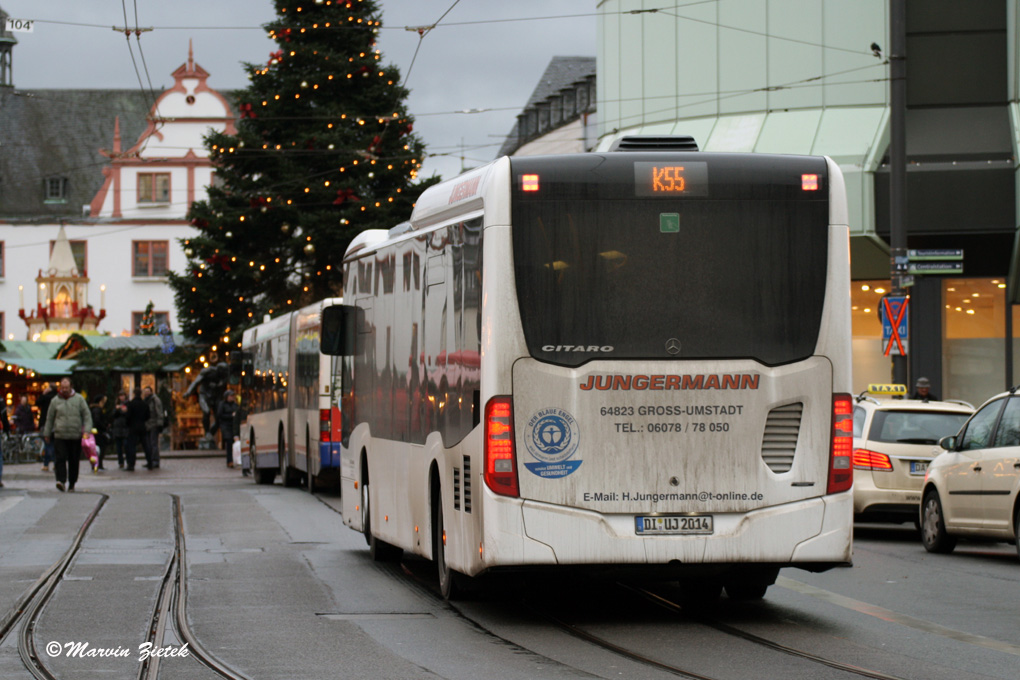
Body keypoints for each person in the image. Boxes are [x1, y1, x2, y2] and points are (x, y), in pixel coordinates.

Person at [42, 377, 92, 493]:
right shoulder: (55, 400)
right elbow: (49, 418)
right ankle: (61, 481)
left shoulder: (79, 399)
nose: (64, 390)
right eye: (63, 387)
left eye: (67, 387)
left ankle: (72, 483)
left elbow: (87, 415)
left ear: (71, 387)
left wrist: (87, 430)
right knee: (60, 459)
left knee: (74, 460)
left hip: (75, 435)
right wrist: (47, 433)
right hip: (60, 435)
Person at [125, 388, 149, 472]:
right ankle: (150, 462)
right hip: (142, 426)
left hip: (133, 427)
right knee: (146, 445)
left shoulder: (131, 404)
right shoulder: (144, 404)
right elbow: (147, 416)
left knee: (131, 446)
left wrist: (128, 424)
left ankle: (131, 464)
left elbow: (128, 416)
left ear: (134, 393)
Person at [216, 390, 239, 468]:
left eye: (233, 396)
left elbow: (238, 413)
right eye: (230, 396)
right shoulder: (222, 404)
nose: (232, 397)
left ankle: (236, 460)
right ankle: (230, 461)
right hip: (226, 426)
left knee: (235, 443)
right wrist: (231, 416)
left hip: (234, 426)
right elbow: (220, 415)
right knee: (229, 443)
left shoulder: (235, 405)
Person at [143, 386, 165, 469]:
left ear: (151, 392)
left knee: (153, 443)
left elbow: (159, 412)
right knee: (149, 443)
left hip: (154, 424)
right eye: (145, 391)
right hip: (147, 425)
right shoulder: (145, 400)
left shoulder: (155, 400)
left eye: (148, 391)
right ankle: (150, 460)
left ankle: (155, 460)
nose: (146, 393)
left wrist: (160, 424)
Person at [37, 383, 56, 471]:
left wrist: (43, 393)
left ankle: (46, 464)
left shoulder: (46, 397)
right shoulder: (57, 397)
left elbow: (37, 402)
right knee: (54, 445)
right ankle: (55, 463)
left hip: (46, 423)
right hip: (56, 424)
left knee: (48, 444)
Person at [89, 395, 109, 471]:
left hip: (96, 431)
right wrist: (104, 426)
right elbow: (97, 421)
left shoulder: (95, 409)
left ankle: (96, 465)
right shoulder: (98, 410)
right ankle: (98, 465)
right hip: (98, 432)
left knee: (97, 449)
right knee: (100, 449)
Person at [111, 391, 129, 469]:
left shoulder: (128, 404)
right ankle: (120, 462)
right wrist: (117, 409)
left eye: (123, 396)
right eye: (120, 396)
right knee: (118, 447)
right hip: (117, 428)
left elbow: (128, 415)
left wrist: (123, 410)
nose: (122, 397)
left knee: (126, 445)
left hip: (125, 427)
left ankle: (128, 461)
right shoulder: (116, 405)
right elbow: (113, 415)